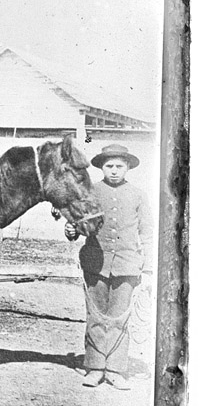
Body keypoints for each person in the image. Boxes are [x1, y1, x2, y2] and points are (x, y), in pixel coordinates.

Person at [65, 143, 154, 390]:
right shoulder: (90, 192)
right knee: (96, 317)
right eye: (109, 166)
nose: (114, 170)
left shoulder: (138, 195)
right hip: (95, 264)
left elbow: (147, 233)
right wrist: (71, 230)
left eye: (119, 166)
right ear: (101, 168)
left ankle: (115, 370)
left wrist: (148, 269)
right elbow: (78, 226)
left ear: (128, 168)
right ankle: (95, 368)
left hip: (127, 266)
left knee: (119, 318)